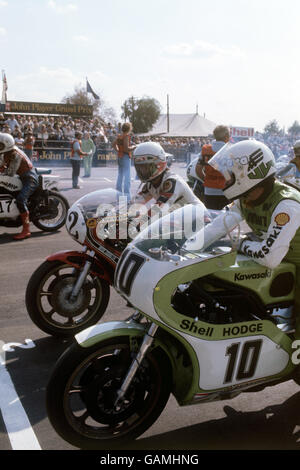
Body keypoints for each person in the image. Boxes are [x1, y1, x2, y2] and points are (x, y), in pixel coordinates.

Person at [188, 139, 300, 338]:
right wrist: (188, 248)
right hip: (285, 256)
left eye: (230, 174)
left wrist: (240, 243)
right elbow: (217, 226)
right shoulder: (247, 199)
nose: (226, 179)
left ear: (248, 173)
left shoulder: (287, 204)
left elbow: (268, 257)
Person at [133, 141, 202, 211]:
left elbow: (157, 211)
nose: (142, 171)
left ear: (159, 165)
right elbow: (135, 204)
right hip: (180, 218)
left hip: (198, 218)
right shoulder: (150, 184)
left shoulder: (172, 182)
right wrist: (124, 218)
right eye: (140, 168)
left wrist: (135, 221)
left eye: (146, 167)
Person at [0, 133, 38, 240]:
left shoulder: (15, 154)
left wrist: (2, 169)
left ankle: (26, 230)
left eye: (0, 144)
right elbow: (1, 163)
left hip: (29, 177)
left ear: (6, 144)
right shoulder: (7, 152)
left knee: (21, 200)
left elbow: (10, 172)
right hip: (19, 176)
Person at [195, 125, 230, 210]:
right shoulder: (230, 149)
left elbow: (198, 169)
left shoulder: (206, 149)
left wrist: (206, 179)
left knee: (211, 218)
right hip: (226, 190)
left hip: (209, 190)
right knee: (226, 220)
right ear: (226, 137)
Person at [113, 122, 136, 201]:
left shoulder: (120, 136)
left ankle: (118, 196)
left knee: (120, 176)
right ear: (129, 129)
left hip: (120, 156)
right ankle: (127, 198)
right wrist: (133, 147)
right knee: (127, 178)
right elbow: (126, 148)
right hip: (125, 157)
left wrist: (118, 150)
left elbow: (113, 144)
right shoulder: (126, 136)